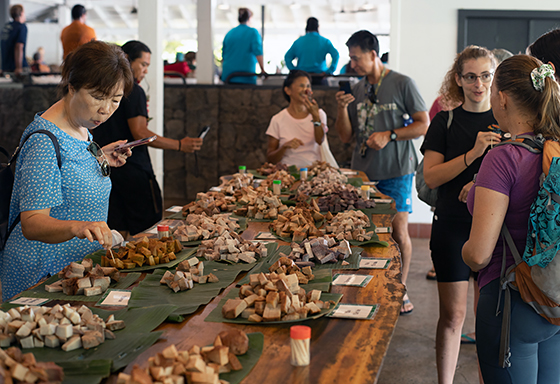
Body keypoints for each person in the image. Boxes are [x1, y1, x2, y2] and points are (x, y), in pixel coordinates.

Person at [0, 41, 134, 301]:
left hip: (73, 268)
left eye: (115, 100)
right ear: (71, 87)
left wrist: (101, 156)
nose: (106, 109)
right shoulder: (44, 141)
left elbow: (68, 170)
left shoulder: (81, 126)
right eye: (97, 96)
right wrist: (79, 227)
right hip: (42, 274)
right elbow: (32, 223)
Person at [462, 55, 560, 383]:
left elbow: (478, 255)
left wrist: (460, 249)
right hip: (553, 299)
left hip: (511, 303)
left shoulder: (503, 158)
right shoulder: (555, 149)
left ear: (502, 97)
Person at [335, 30, 429, 314]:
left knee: (399, 232)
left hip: (397, 170)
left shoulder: (402, 83)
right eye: (351, 58)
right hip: (363, 173)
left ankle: (400, 289)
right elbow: (345, 137)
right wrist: (341, 109)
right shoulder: (358, 89)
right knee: (363, 233)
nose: (353, 64)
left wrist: (389, 134)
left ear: (373, 54)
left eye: (356, 58)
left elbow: (423, 124)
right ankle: (370, 287)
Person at [421, 46, 498, 384]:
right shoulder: (445, 121)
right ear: (458, 79)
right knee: (453, 317)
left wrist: (480, 182)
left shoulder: (507, 121)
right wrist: (474, 154)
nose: (478, 83)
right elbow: (431, 177)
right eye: (471, 76)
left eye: (485, 75)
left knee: (487, 321)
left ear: (494, 78)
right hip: (451, 227)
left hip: (495, 232)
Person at [93, 41, 203, 238]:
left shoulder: (103, 91)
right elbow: (140, 132)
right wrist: (179, 145)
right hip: (133, 170)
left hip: (106, 171)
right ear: (125, 60)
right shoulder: (133, 91)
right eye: (143, 64)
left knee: (115, 232)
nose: (145, 71)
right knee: (149, 232)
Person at [266, 70, 327, 168]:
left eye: (308, 86)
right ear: (288, 90)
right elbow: (270, 159)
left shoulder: (319, 114)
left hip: (313, 172)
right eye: (301, 86)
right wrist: (284, 147)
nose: (306, 90)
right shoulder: (277, 119)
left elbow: (320, 140)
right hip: (287, 173)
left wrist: (315, 116)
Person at [284, 17, 339, 85]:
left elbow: (287, 57)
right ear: (318, 27)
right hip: (320, 77)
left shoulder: (298, 42)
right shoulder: (325, 41)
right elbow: (336, 55)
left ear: (306, 26)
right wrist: (329, 71)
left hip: (302, 77)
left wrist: (294, 71)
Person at [221, 8, 265, 84]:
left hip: (228, 76)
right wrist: (263, 70)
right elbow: (258, 52)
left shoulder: (229, 33)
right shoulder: (253, 32)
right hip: (246, 77)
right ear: (249, 18)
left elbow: (224, 56)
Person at [1, 4, 28, 75]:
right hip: (16, 68)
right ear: (22, 13)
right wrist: (19, 67)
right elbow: (19, 46)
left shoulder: (6, 27)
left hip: (5, 67)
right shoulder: (21, 27)